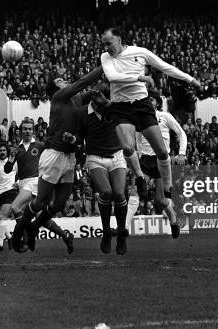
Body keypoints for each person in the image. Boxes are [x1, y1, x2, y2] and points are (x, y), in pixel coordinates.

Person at [99, 27, 200, 235]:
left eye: (109, 43)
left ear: (119, 39)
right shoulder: (106, 58)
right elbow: (112, 77)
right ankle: (138, 177)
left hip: (142, 106)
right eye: (104, 44)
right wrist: (140, 78)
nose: (106, 47)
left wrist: (189, 79)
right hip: (121, 106)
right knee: (127, 146)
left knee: (163, 153)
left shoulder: (140, 52)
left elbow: (165, 67)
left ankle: (169, 193)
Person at [10, 66, 104, 252]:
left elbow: (96, 91)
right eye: (60, 80)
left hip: (69, 157)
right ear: (56, 88)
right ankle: (17, 236)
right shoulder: (58, 97)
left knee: (59, 203)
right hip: (53, 155)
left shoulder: (76, 98)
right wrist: (105, 64)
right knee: (40, 202)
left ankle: (34, 228)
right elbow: (83, 82)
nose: (65, 80)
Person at [5, 118, 74, 254]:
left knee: (15, 207)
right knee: (43, 219)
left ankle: (24, 242)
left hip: (36, 182)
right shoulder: (16, 149)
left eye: (30, 129)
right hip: (24, 184)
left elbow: (53, 154)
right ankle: (66, 237)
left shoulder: (40, 145)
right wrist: (11, 158)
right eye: (24, 129)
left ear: (33, 131)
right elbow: (7, 169)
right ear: (20, 131)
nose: (27, 131)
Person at [77, 88, 128, 254]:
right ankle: (106, 232)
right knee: (106, 192)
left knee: (119, 194)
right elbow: (79, 137)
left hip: (116, 156)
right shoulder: (82, 113)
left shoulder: (113, 108)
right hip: (95, 158)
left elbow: (125, 111)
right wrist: (74, 140)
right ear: (93, 101)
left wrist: (107, 103)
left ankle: (121, 234)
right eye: (99, 103)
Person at [135, 91, 187, 238]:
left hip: (161, 161)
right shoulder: (141, 118)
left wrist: (181, 153)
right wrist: (138, 154)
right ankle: (123, 228)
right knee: (136, 191)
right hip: (145, 160)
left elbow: (181, 133)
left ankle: (173, 220)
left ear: (157, 103)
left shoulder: (165, 117)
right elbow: (137, 139)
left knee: (160, 200)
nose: (149, 102)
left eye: (152, 99)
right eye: (147, 100)